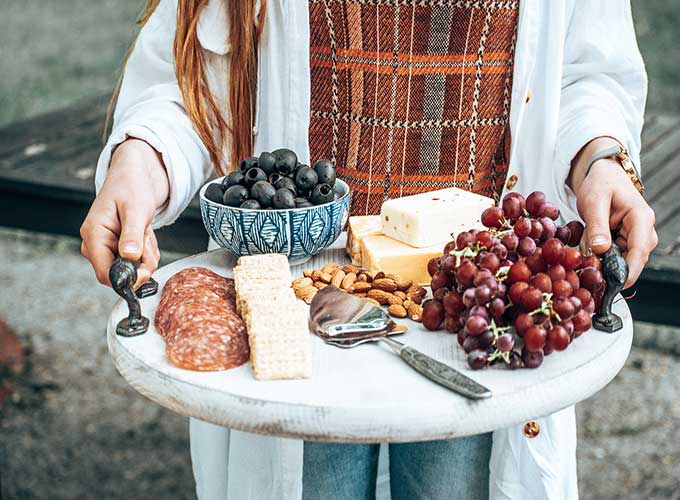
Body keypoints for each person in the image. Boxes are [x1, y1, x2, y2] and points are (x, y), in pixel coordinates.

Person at [80, 0, 657, 498]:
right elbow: (192, 87)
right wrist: (142, 159)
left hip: (471, 303)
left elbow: (586, 73)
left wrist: (598, 159)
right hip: (306, 307)